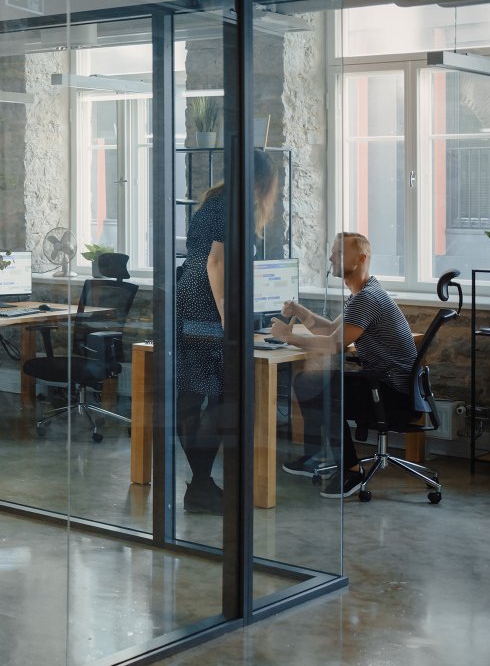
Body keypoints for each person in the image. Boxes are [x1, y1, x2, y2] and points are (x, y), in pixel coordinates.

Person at [272, 232, 418, 499]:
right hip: (386, 386)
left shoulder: (367, 299)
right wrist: (300, 311)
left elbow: (333, 344)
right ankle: (315, 455)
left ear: (361, 259)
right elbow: (330, 329)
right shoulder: (363, 293)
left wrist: (288, 337)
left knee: (319, 389)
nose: (330, 257)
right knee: (308, 382)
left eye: (338, 253)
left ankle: (351, 470)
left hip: (391, 394)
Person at [174, 150, 280, 513]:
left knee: (192, 394)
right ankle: (201, 485)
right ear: (260, 182)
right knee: (222, 395)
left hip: (188, 296)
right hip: (205, 301)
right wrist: (227, 316)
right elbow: (215, 262)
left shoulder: (212, 203)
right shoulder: (231, 209)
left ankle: (200, 485)